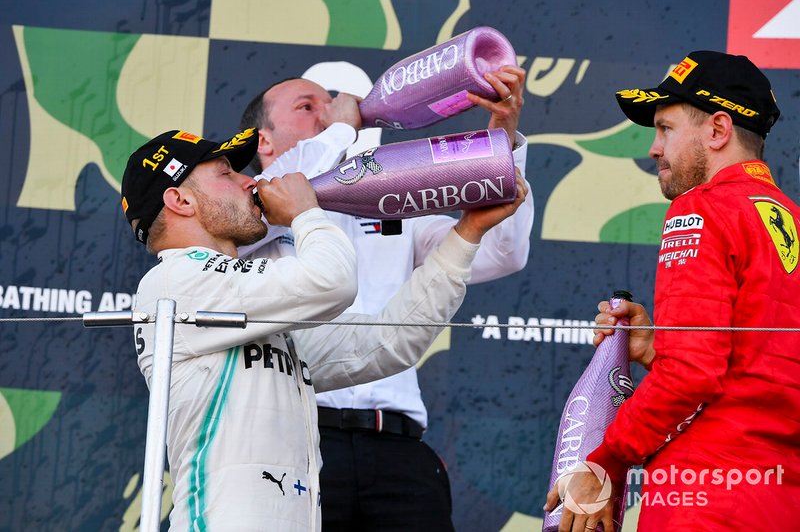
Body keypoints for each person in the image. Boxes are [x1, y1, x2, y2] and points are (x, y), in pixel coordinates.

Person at [120, 126, 525, 531]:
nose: (251, 181)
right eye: (227, 174)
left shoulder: (247, 299)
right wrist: (304, 213)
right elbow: (330, 280)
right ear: (180, 200)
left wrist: (467, 233)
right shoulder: (175, 282)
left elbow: (387, 343)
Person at [238, 66, 533, 530]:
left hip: (397, 447)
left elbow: (501, 251)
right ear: (263, 143)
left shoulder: (389, 201)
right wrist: (339, 127)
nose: (333, 111)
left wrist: (501, 143)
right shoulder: (248, 212)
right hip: (294, 442)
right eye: (307, 106)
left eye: (336, 104)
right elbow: (278, 195)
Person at [544, 50, 800, 531]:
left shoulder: (700, 209)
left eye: (666, 128)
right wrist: (660, 348)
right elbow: (761, 368)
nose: (653, 148)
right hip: (782, 499)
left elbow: (691, 375)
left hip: (706, 497)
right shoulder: (792, 220)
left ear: (718, 131)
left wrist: (606, 461)